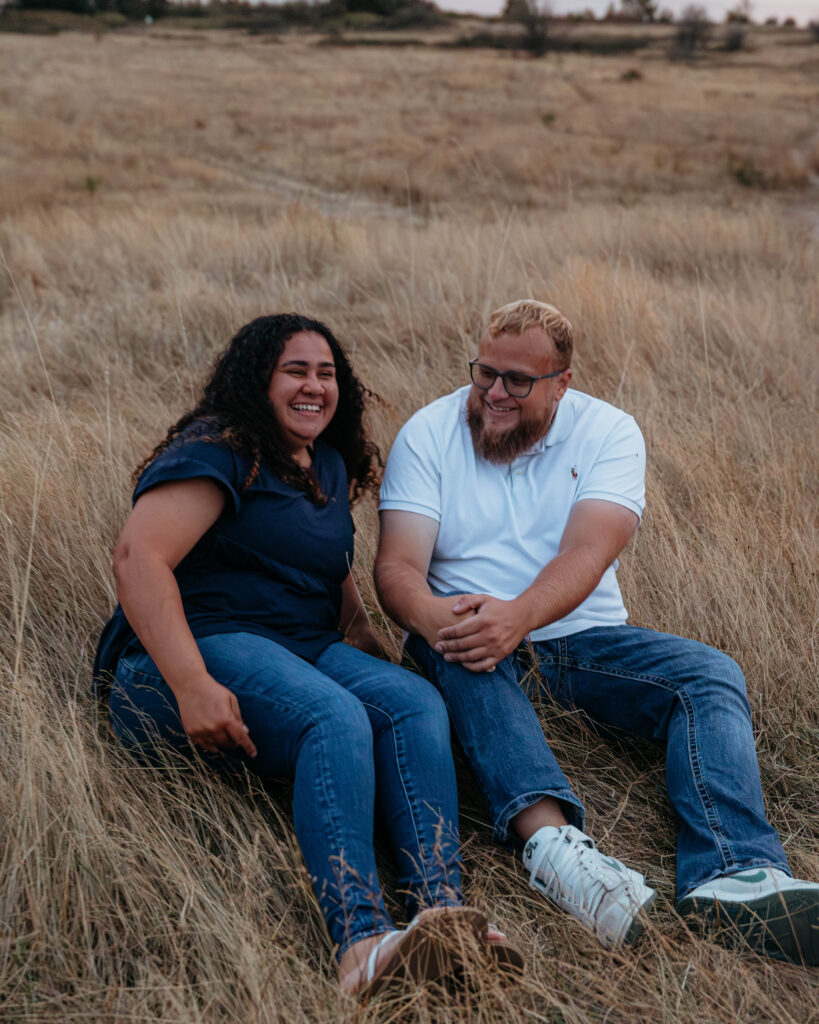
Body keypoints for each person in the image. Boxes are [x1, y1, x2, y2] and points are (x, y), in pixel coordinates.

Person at [374, 299, 819, 966]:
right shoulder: (428, 432)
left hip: (579, 639)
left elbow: (588, 553)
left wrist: (517, 616)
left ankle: (733, 874)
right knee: (462, 641)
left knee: (708, 674)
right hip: (462, 637)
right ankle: (559, 853)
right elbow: (397, 566)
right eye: (484, 373)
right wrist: (438, 617)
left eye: (517, 382)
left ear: (562, 382)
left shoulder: (609, 432)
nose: (494, 393)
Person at [93, 313, 519, 998]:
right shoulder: (221, 448)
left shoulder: (324, 461)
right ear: (258, 378)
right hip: (183, 659)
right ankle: (360, 944)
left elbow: (330, 573)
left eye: (326, 373)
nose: (314, 386)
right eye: (296, 370)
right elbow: (138, 556)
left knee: (411, 702)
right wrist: (191, 682)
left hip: (301, 646)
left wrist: (370, 647)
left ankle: (441, 914)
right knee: (334, 716)